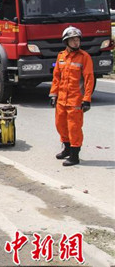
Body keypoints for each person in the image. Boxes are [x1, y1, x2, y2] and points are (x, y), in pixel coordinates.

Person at [49, 26, 94, 167]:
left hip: (76, 100)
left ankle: (75, 155)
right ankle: (67, 149)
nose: (76, 43)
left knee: (74, 127)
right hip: (61, 99)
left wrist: (87, 99)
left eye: (77, 40)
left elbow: (88, 79)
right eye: (73, 40)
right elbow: (56, 77)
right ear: (66, 42)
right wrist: (53, 94)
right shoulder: (61, 56)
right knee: (60, 125)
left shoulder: (84, 57)